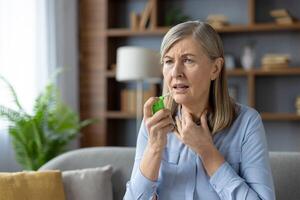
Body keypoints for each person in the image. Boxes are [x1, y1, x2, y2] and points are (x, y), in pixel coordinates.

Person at [124, 21, 275, 200]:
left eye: (188, 60)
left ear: (215, 68)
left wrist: (207, 151)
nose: (176, 72)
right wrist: (155, 148)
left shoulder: (247, 123)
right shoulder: (154, 123)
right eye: (169, 61)